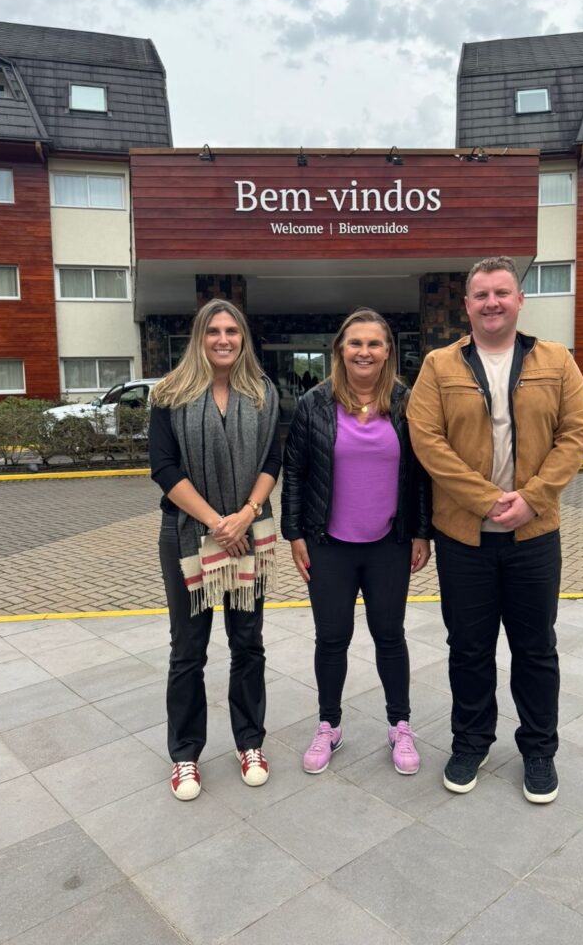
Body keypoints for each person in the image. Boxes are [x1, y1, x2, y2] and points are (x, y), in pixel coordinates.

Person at [407, 257, 583, 802]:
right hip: (464, 538)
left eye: (502, 293)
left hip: (534, 536)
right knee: (468, 648)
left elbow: (577, 432)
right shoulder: (440, 366)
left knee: (536, 649)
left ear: (519, 300)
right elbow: (427, 441)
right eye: (481, 294)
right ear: (467, 306)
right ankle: (471, 742)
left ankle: (539, 750)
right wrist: (486, 500)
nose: (492, 302)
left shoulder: (556, 361)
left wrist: (532, 500)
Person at [281, 308, 432, 776]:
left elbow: (424, 473)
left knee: (390, 637)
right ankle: (329, 724)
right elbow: (296, 473)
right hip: (328, 544)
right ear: (339, 350)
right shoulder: (314, 404)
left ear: (388, 350)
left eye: (374, 343)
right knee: (332, 638)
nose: (364, 352)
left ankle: (400, 725)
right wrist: (294, 535)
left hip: (390, 541)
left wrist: (422, 530)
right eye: (355, 343)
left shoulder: (409, 402)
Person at [149, 299, 281, 800]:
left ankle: (250, 742)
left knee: (248, 643)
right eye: (213, 331)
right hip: (187, 534)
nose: (223, 339)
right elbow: (163, 468)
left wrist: (245, 515)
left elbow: (274, 458)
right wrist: (215, 523)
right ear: (199, 338)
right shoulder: (170, 395)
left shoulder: (263, 393)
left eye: (232, 331)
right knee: (188, 650)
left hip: (248, 531)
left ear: (243, 338)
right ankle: (185, 755)